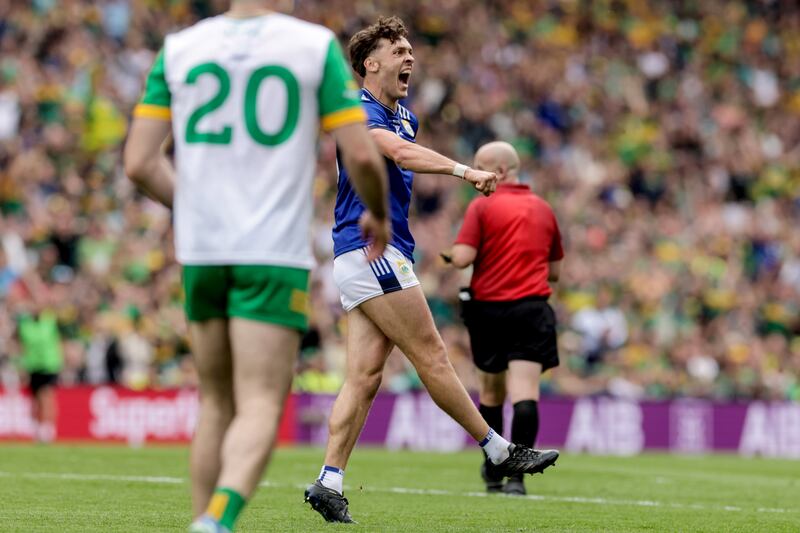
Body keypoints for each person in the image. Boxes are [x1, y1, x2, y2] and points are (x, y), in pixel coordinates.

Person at [123, 1, 391, 532]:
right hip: (270, 251)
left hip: (202, 252)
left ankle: (205, 520)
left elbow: (139, 163)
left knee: (216, 404)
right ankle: (216, 519)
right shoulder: (312, 47)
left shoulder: (179, 49)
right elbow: (361, 156)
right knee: (262, 401)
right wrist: (378, 215)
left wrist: (197, 211)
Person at [304, 17, 558, 524]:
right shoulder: (356, 110)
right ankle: (496, 448)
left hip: (374, 251)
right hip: (370, 250)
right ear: (369, 63)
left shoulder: (407, 117)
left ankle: (328, 481)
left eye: (410, 50)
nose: (409, 58)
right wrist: (464, 170)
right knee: (433, 356)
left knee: (364, 377)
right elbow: (396, 152)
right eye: (398, 50)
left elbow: (403, 146)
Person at [444, 141, 564, 496]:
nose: (474, 173)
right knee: (525, 390)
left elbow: (464, 258)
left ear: (496, 170)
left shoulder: (482, 207)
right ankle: (518, 479)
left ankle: (494, 466)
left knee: (492, 392)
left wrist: (450, 255)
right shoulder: (543, 209)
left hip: (489, 310)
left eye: (479, 166)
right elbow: (554, 272)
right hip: (531, 308)